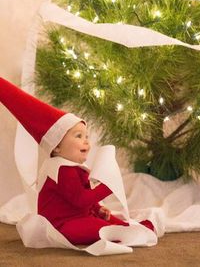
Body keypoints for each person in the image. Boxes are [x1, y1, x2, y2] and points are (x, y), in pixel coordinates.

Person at [0, 77, 155, 246]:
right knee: (96, 227)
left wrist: (97, 208)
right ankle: (120, 232)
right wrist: (107, 187)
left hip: (79, 216)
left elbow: (83, 199)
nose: (86, 141)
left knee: (105, 219)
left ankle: (126, 227)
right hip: (62, 225)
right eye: (78, 136)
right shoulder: (61, 170)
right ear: (57, 147)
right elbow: (80, 199)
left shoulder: (75, 168)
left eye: (86, 136)